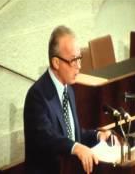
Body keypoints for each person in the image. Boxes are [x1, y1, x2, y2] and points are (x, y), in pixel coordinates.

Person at [23, 25, 113, 174]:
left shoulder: (68, 89)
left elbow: (73, 135)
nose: (79, 66)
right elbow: (48, 137)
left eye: (79, 59)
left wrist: (98, 135)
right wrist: (76, 147)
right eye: (73, 60)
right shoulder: (37, 95)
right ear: (56, 63)